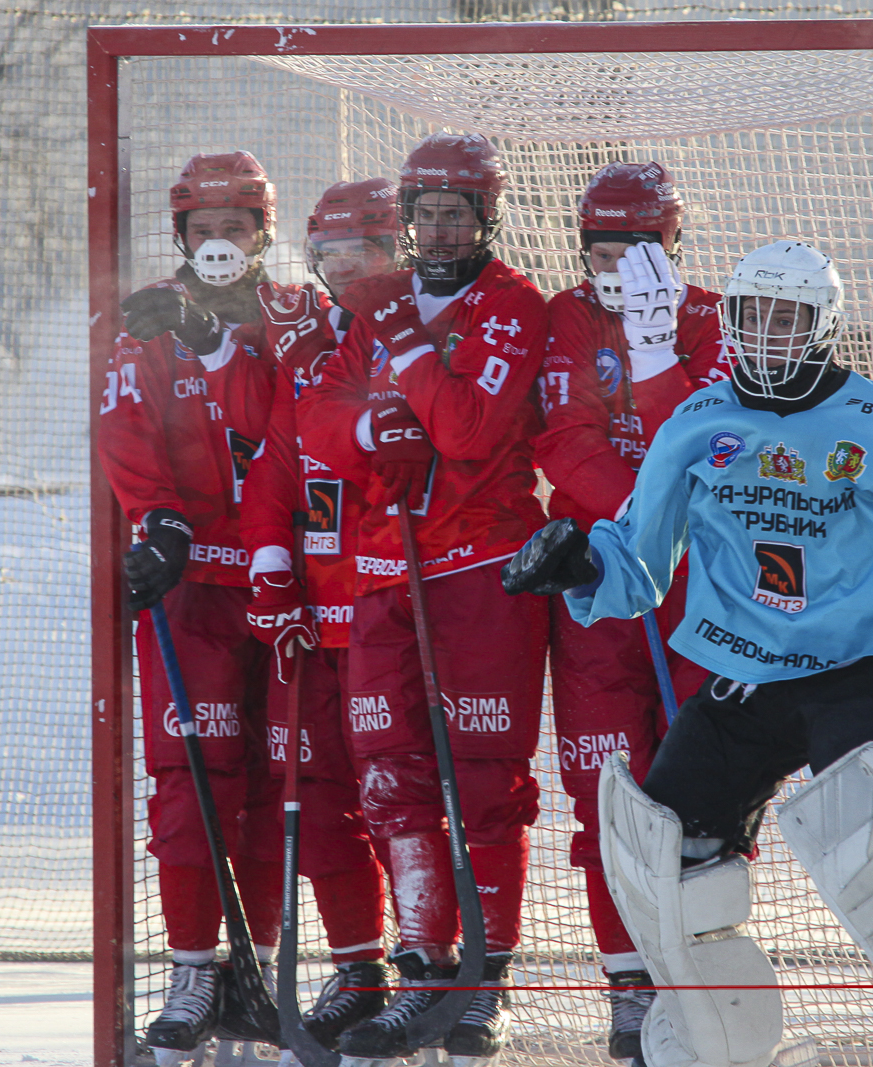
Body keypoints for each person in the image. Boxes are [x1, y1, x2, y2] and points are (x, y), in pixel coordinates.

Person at [503, 239, 873, 1067]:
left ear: (824, 326)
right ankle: (709, 1041)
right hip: (750, 671)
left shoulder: (872, 418)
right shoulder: (698, 422)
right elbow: (636, 555)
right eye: (753, 316)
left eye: (788, 318)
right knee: (660, 845)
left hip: (863, 665)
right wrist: (581, 563)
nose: (768, 334)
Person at [295, 132, 551, 1063]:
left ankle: (485, 984)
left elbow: (470, 430)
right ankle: (422, 973)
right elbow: (315, 421)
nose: (440, 229)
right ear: (404, 220)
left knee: (484, 781)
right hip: (381, 572)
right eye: (425, 212)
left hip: (482, 570)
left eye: (458, 212)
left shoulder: (513, 305)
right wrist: (373, 419)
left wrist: (405, 355)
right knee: (392, 780)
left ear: (487, 216)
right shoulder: (375, 303)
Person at [532, 160, 729, 1060]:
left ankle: (707, 974)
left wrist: (666, 524)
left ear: (671, 244)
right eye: (601, 248)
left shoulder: (716, 316)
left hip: (702, 585)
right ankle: (627, 982)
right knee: (609, 792)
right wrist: (633, 523)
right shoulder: (565, 317)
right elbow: (563, 435)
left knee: (708, 795)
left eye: (636, 246)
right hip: (601, 581)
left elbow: (715, 438)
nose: (616, 264)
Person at [98, 151, 287, 1058]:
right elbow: (123, 425)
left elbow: (291, 426)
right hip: (193, 590)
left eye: (236, 229)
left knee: (285, 783)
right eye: (203, 231)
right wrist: (160, 519)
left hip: (289, 589)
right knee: (192, 778)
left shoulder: (297, 315)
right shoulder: (143, 321)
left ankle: (265, 969)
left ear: (263, 234)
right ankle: (192, 967)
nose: (220, 244)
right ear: (180, 237)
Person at [238, 178, 406, 1048]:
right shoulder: (306, 350)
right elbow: (271, 467)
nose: (347, 273)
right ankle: (358, 964)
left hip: (386, 609)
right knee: (319, 794)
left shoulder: (417, 340)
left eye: (364, 254)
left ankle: (433, 964)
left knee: (401, 797)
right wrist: (271, 569)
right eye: (333, 258)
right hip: (312, 618)